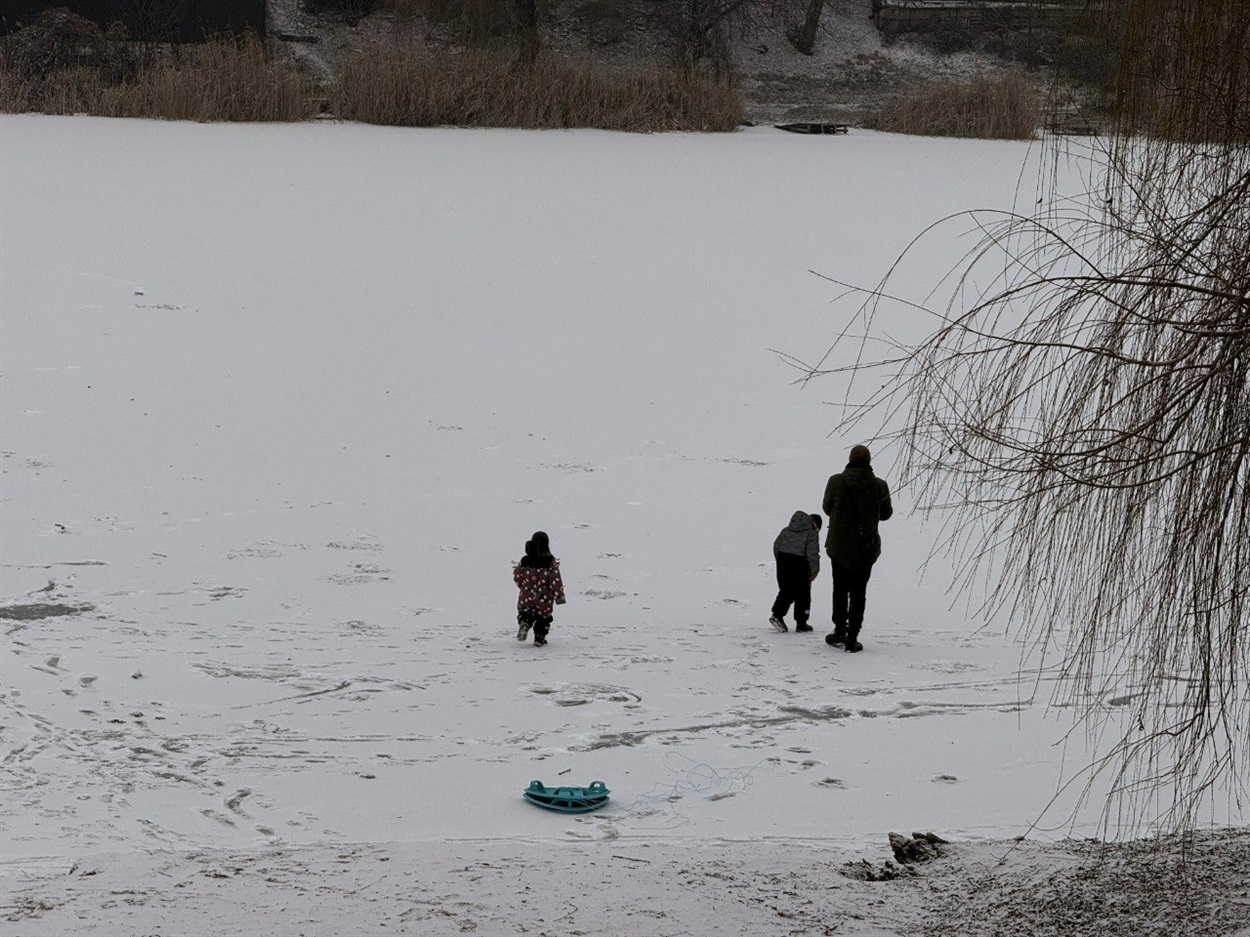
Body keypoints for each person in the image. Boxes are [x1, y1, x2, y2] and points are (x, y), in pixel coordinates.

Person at [822, 444, 892, 653]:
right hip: (865, 548)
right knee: (859, 592)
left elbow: (826, 508)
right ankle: (853, 636)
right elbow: (886, 514)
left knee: (840, 589)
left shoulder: (835, 481)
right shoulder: (880, 485)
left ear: (850, 459)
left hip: (839, 546)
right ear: (869, 461)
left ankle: (839, 631)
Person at [769, 511, 821, 633]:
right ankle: (801, 623)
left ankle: (777, 615)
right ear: (816, 525)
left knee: (786, 591)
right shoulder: (811, 533)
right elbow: (812, 554)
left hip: (783, 560)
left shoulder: (786, 530)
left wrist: (780, 561)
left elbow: (776, 545)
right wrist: (814, 571)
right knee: (803, 594)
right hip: (800, 563)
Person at [513, 530, 566, 647]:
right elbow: (555, 580)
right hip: (544, 598)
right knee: (544, 618)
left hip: (526, 596)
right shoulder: (550, 561)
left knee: (526, 613)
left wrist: (523, 586)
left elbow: (517, 575)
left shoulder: (525, 560)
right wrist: (559, 597)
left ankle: (524, 623)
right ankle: (539, 638)